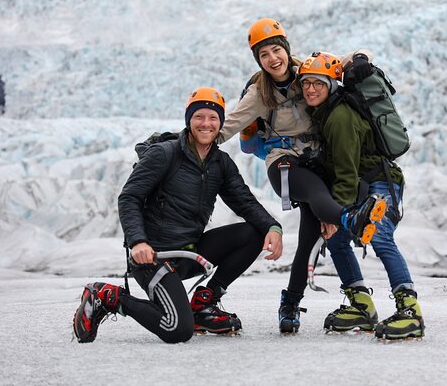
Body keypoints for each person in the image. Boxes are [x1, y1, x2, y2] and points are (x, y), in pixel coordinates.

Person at [72, 87, 284, 344]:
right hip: (154, 258)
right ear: (189, 120)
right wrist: (138, 241)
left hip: (189, 252)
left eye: (213, 118)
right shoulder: (164, 154)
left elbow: (245, 202)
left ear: (220, 123)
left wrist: (273, 227)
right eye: (199, 117)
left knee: (253, 233)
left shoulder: (221, 163)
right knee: (177, 330)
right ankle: (108, 297)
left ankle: (204, 304)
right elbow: (129, 198)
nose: (206, 123)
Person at [217, 18, 386, 333]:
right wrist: (183, 142)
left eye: (276, 50)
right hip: (283, 163)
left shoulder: (308, 71)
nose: (272, 59)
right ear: (258, 60)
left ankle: (290, 304)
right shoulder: (259, 92)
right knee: (318, 197)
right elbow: (227, 126)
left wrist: (362, 59)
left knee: (309, 240)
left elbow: (355, 55)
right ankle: (353, 219)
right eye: (263, 54)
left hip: (315, 163)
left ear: (286, 48)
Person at [300, 51, 425, 340]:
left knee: (380, 236)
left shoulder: (339, 117)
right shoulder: (327, 111)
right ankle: (361, 306)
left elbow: (345, 172)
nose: (310, 89)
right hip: (364, 184)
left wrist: (333, 214)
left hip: (380, 182)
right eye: (305, 83)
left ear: (331, 85)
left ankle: (410, 310)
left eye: (318, 83)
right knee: (339, 240)